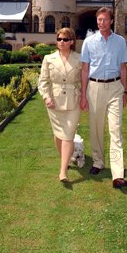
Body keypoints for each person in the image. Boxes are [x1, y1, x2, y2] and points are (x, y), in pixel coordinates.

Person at [80, 7, 127, 189]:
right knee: (96, 128)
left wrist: (125, 91)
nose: (102, 23)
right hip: (95, 88)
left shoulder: (120, 42)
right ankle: (98, 162)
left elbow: (123, 68)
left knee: (116, 130)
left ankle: (118, 174)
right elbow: (84, 70)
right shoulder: (89, 42)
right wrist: (83, 95)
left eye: (105, 20)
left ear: (111, 21)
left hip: (116, 87)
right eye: (99, 20)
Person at [38, 27, 82, 183]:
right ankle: (65, 159)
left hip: (73, 101)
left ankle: (63, 172)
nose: (61, 42)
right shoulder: (48, 59)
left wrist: (85, 99)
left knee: (68, 135)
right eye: (59, 39)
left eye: (64, 39)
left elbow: (85, 80)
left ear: (71, 42)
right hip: (54, 102)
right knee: (58, 135)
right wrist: (46, 97)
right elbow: (43, 81)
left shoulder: (80, 58)